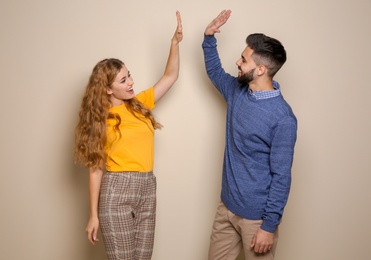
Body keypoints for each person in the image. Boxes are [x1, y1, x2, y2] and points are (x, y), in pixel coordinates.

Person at [74, 11, 183, 260]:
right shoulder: (99, 121)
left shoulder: (139, 103)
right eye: (124, 80)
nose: (131, 82)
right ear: (107, 88)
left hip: (147, 187)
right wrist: (93, 215)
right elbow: (95, 170)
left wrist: (174, 44)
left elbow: (170, 76)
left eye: (129, 74)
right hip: (116, 191)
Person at [202, 10, 297, 260]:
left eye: (243, 60)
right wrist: (209, 37)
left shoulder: (282, 118)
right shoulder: (237, 91)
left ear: (261, 69)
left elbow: (281, 176)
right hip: (226, 208)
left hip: (257, 219)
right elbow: (215, 72)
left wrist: (268, 227)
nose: (238, 62)